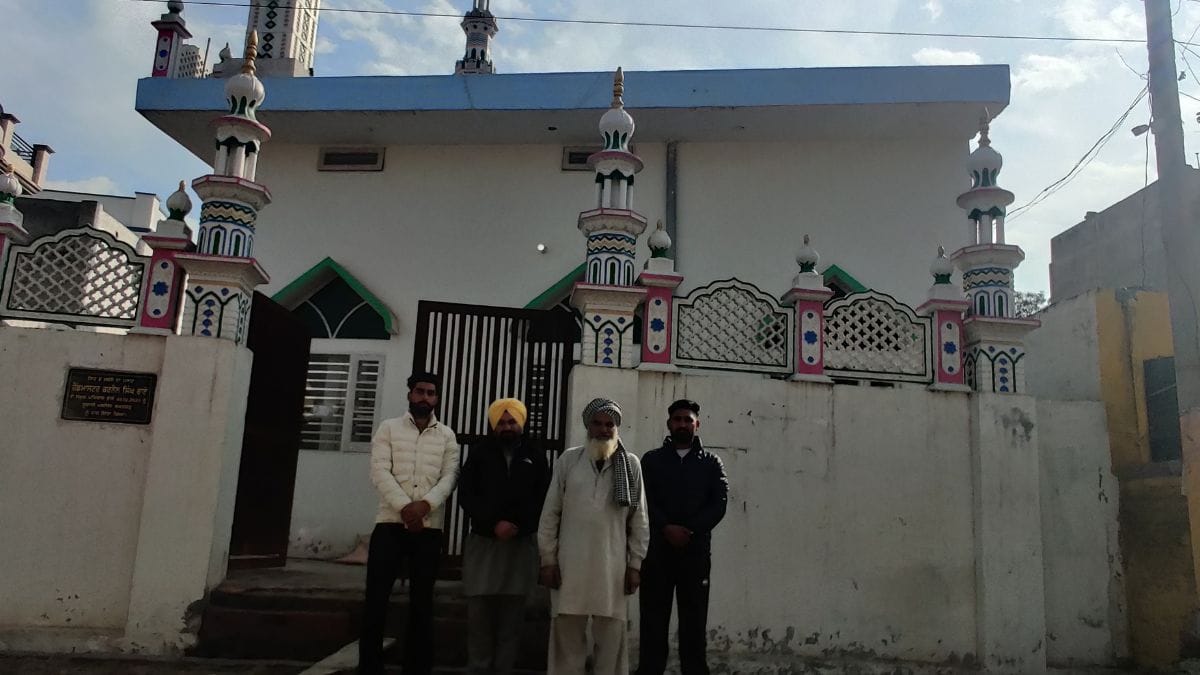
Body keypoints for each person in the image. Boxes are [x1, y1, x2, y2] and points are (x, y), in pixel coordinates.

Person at [537, 397, 650, 675]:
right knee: (567, 636)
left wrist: (635, 565)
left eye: (609, 424)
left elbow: (639, 519)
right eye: (597, 423)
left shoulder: (631, 465)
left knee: (611, 639)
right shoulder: (569, 460)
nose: (603, 429)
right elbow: (551, 513)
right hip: (570, 565)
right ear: (587, 426)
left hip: (611, 567)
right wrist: (548, 559)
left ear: (617, 428)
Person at [358, 371, 461, 675]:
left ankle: (417, 668)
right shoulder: (388, 429)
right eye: (419, 392)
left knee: (422, 602)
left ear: (437, 398)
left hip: (428, 529)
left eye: (430, 393)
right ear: (409, 395)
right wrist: (405, 508)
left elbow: (450, 477)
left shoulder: (447, 436)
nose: (424, 398)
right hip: (390, 523)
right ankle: (370, 667)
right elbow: (379, 472)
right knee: (376, 599)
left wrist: (425, 506)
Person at [458, 398, 551, 675]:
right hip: (484, 544)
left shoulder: (535, 455)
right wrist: (493, 524)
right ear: (493, 425)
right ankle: (478, 668)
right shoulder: (479, 454)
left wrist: (518, 527)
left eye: (512, 422)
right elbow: (466, 495)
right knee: (479, 618)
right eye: (501, 422)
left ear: (521, 423)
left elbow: (544, 498)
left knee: (511, 621)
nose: (507, 427)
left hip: (520, 546)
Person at [635, 399, 728, 675]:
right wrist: (665, 528)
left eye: (688, 420)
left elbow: (719, 504)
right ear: (669, 424)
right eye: (678, 419)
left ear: (697, 424)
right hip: (657, 555)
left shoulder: (712, 463)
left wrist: (690, 531)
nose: (683, 424)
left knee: (694, 626)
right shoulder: (651, 461)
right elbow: (643, 501)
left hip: (695, 555)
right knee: (652, 623)